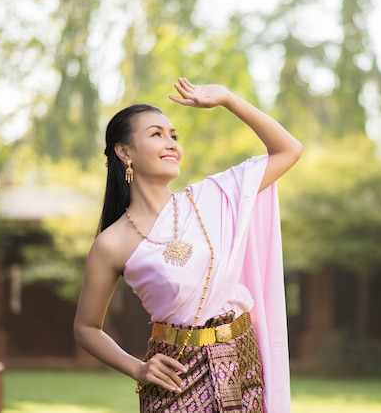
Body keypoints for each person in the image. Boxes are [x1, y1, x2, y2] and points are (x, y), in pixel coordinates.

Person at [73, 77, 303, 413]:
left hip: (242, 364)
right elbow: (86, 327)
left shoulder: (212, 197)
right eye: (156, 134)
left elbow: (289, 150)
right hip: (175, 376)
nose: (172, 144)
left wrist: (228, 99)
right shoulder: (111, 243)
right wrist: (137, 368)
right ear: (124, 152)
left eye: (174, 136)